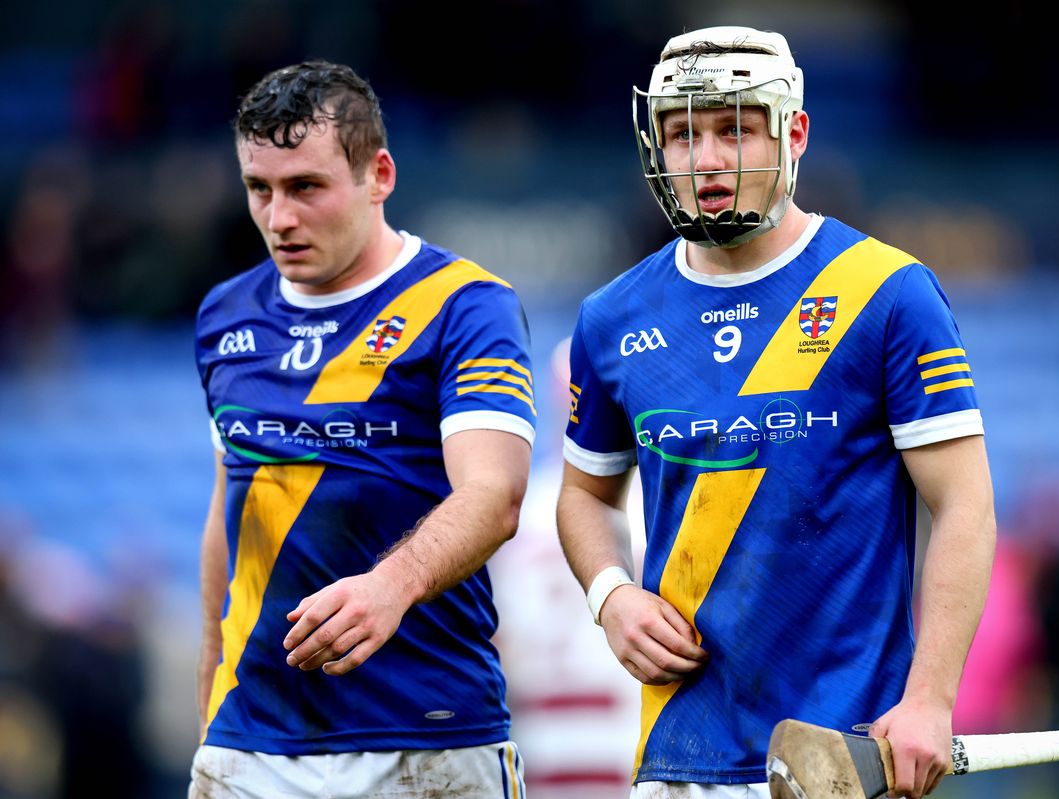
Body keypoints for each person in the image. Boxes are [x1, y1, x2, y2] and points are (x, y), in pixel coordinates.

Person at [556, 26, 996, 799]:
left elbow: (965, 505)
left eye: (736, 128)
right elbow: (585, 494)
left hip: (844, 761)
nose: (708, 159)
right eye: (683, 133)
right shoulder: (610, 316)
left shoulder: (889, 293)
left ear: (793, 132)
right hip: (677, 760)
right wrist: (609, 594)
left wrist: (930, 697)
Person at [191, 60, 535, 798]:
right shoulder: (224, 314)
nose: (279, 218)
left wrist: (392, 584)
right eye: (260, 189)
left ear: (379, 175)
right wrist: (209, 710)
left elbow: (496, 492)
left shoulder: (466, 305)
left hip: (428, 737)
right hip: (249, 745)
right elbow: (230, 515)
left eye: (305, 187)